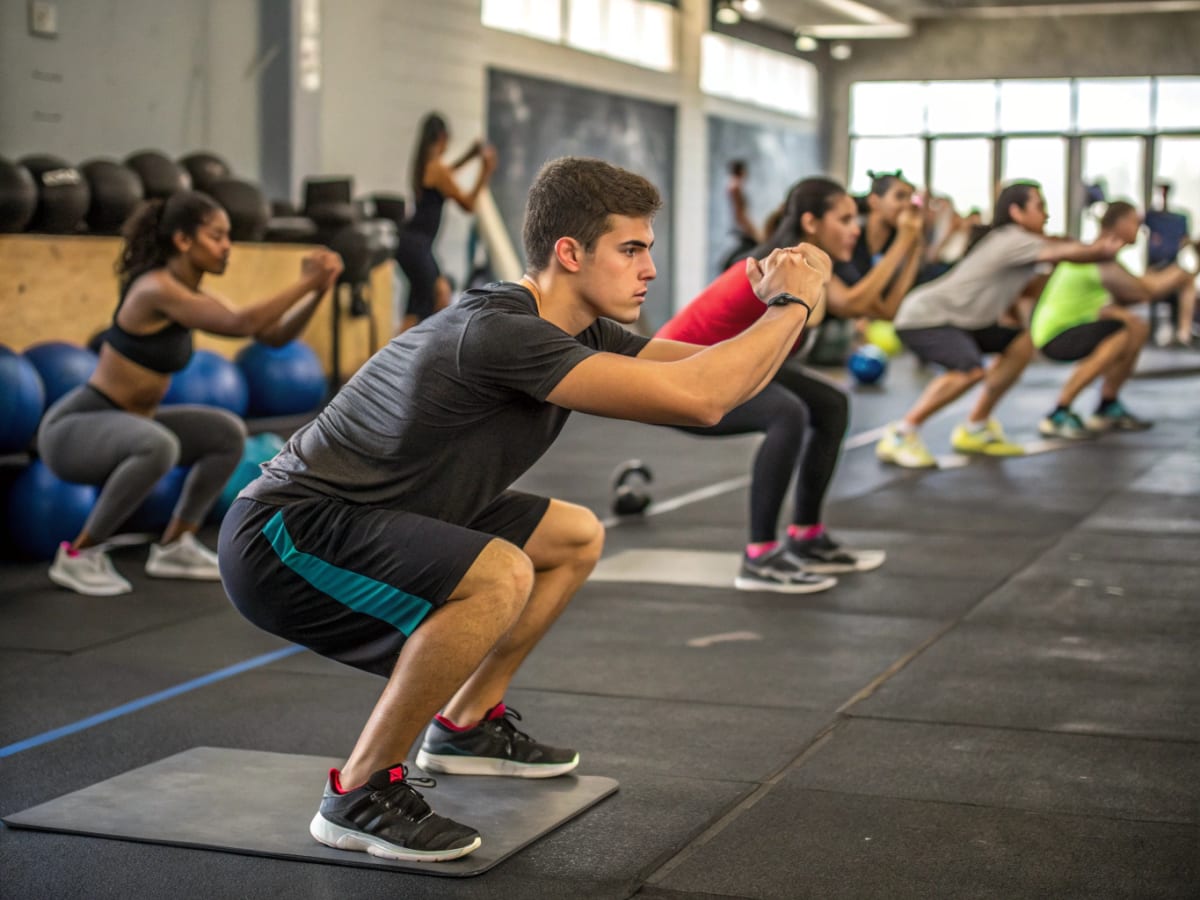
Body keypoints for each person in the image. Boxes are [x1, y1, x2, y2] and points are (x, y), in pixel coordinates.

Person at [218, 157, 829, 863]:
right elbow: (703, 398)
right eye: (631, 249)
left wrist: (786, 303)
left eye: (648, 250)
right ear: (570, 252)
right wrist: (793, 305)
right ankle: (359, 792)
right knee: (500, 573)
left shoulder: (575, 328)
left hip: (385, 510)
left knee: (572, 536)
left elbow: (710, 375)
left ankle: (466, 725)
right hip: (286, 535)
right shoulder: (503, 333)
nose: (649, 269)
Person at [37, 190, 342, 597]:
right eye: (216, 236)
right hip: (74, 429)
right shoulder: (155, 289)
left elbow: (273, 336)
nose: (227, 246)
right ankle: (79, 554)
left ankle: (175, 546)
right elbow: (241, 323)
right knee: (158, 445)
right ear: (183, 240)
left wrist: (318, 290)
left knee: (225, 433)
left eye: (228, 236)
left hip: (131, 422)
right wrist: (305, 281)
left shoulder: (189, 295)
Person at [658, 177, 902, 589]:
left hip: (726, 363)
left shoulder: (806, 264)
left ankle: (806, 536)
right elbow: (827, 310)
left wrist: (906, 242)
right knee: (786, 413)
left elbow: (868, 304)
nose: (855, 229)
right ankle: (761, 556)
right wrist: (894, 245)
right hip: (677, 374)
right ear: (811, 223)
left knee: (830, 404)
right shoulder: (783, 266)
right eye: (844, 219)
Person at [875, 181, 1123, 469]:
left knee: (1020, 343)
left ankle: (976, 427)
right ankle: (902, 433)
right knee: (968, 371)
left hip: (965, 320)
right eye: (1039, 206)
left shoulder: (1019, 245)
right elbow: (1068, 252)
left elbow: (1024, 289)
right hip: (926, 317)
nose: (1046, 214)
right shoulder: (1013, 238)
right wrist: (1102, 248)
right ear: (1017, 212)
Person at [1032, 200, 1197, 437]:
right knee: (1122, 331)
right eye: (1135, 222)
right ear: (1120, 224)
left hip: (1076, 326)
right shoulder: (1097, 256)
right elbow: (1145, 291)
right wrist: (1184, 272)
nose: (1140, 229)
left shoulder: (1104, 257)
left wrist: (1184, 273)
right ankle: (1058, 412)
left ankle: (1107, 405)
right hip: (1055, 335)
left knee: (1136, 327)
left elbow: (1131, 292)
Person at [394, 112, 497, 333]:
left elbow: (448, 174)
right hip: (417, 245)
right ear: (442, 137)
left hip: (412, 243)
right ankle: (419, 347)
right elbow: (468, 205)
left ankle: (401, 349)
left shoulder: (426, 165)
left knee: (420, 303)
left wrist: (470, 156)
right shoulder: (437, 169)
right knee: (438, 295)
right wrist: (485, 172)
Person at [1143, 181, 1197, 347]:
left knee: (1187, 281)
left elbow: (1185, 241)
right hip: (1154, 269)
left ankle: (1183, 333)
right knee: (1187, 279)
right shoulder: (1152, 217)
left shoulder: (1179, 219)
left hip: (1170, 266)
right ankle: (1184, 333)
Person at [718, 159, 760, 271]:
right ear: (741, 171)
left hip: (739, 230)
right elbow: (740, 214)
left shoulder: (733, 186)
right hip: (741, 231)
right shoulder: (735, 187)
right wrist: (754, 232)